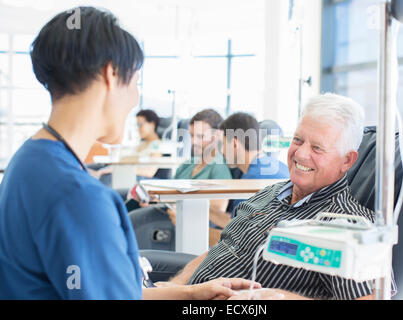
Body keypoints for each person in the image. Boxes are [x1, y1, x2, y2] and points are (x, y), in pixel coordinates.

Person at [0, 6, 257, 300]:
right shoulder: (79, 197)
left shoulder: (28, 162)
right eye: (136, 81)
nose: (135, 97)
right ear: (111, 72)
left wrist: (188, 293)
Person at [164, 93, 380, 300]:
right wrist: (176, 286)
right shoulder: (269, 193)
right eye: (297, 140)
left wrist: (286, 298)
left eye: (317, 148)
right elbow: (222, 248)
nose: (301, 154)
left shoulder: (349, 226)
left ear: (347, 161)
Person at [130, 109, 233, 247]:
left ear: (216, 137)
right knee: (129, 211)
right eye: (191, 135)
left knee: (133, 222)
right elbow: (171, 191)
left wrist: (177, 207)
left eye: (200, 136)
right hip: (169, 212)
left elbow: (217, 209)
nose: (193, 141)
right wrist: (157, 199)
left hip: (186, 222)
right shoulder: (188, 164)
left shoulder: (219, 166)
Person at [208, 112, 290, 245]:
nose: (221, 152)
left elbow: (236, 239)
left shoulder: (252, 181)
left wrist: (188, 226)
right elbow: (237, 222)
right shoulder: (278, 167)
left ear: (234, 144)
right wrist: (206, 211)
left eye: (222, 145)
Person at [92, 109, 170, 184]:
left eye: (141, 125)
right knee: (88, 169)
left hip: (136, 176)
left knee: (105, 178)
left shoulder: (157, 146)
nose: (138, 128)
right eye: (137, 125)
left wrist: (118, 170)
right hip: (125, 171)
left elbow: (149, 172)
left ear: (152, 124)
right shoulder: (141, 144)